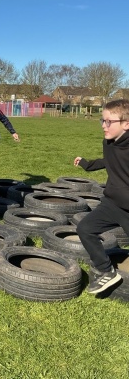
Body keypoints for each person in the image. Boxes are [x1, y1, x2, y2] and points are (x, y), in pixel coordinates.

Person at [74, 99, 129, 294]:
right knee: (85, 229)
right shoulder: (108, 142)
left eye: (109, 122)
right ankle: (106, 270)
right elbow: (110, 161)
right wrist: (87, 164)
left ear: (126, 124)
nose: (104, 126)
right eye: (102, 120)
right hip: (112, 203)